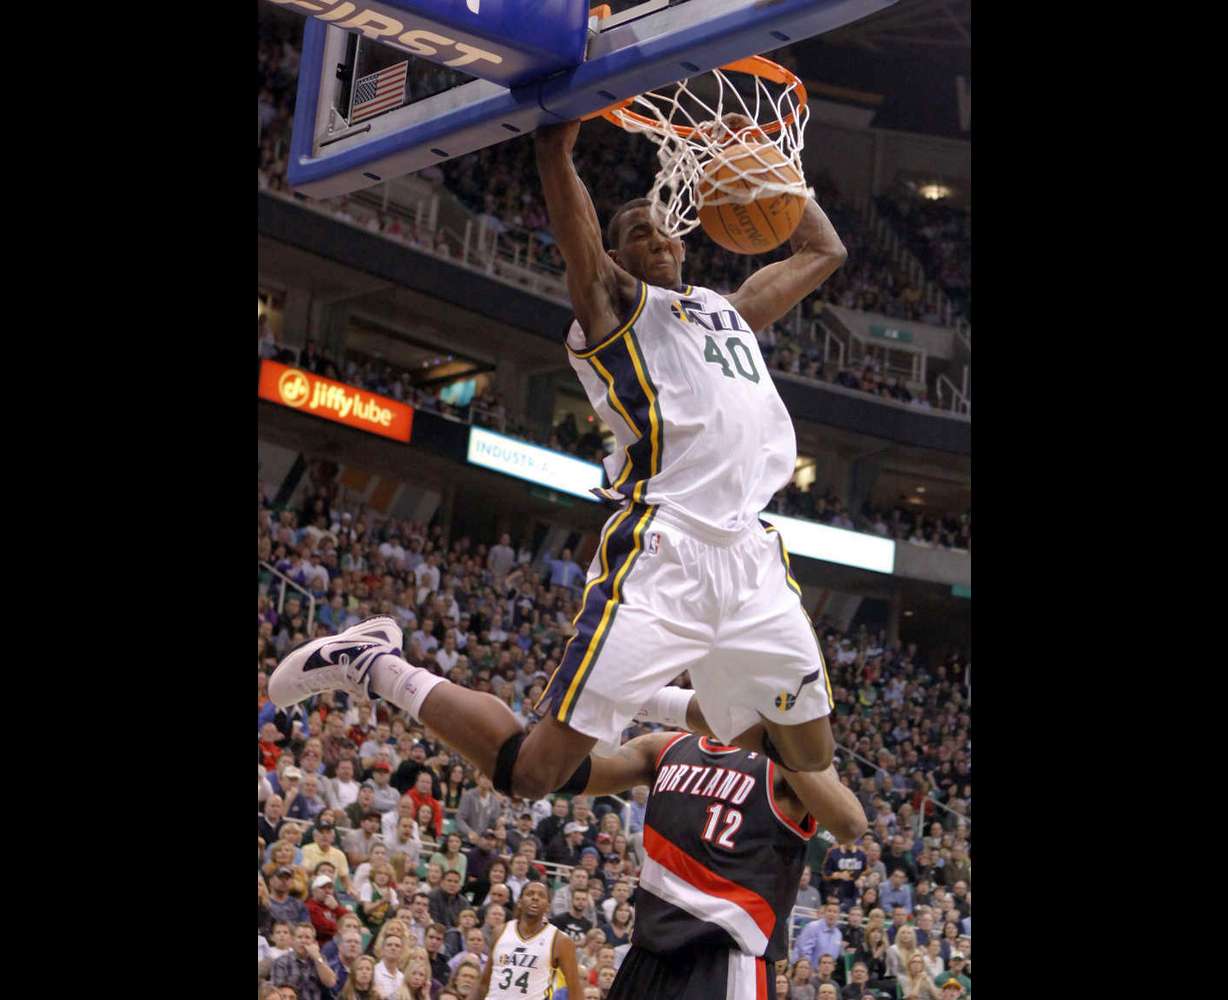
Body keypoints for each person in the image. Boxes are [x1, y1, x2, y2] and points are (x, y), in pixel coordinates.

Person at [270, 109, 849, 804]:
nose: (654, 236)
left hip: (752, 555)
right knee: (533, 775)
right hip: (665, 549)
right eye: (634, 233)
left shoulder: (730, 310)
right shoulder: (614, 309)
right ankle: (376, 665)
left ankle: (656, 693)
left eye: (660, 225)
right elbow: (568, 199)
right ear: (614, 257)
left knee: (806, 755)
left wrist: (772, 170)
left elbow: (825, 253)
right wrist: (557, 139)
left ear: (685, 243)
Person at [558, 726, 864, 1000]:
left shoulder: (785, 763)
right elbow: (565, 771)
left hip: (727, 962)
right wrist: (581, 710)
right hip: (647, 956)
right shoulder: (665, 747)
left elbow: (850, 824)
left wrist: (771, 736)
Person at [474, 881, 582, 1000]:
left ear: (548, 906)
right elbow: (484, 983)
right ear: (519, 902)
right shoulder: (500, 932)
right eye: (530, 894)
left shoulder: (560, 940)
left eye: (541, 895)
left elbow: (575, 989)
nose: (535, 898)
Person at [271, 922, 338, 1000]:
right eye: (299, 937)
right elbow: (277, 992)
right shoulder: (281, 962)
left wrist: (317, 958)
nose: (303, 941)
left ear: (313, 942)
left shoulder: (320, 960)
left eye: (307, 937)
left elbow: (330, 983)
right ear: (293, 941)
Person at [792, 902, 842, 969]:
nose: (832, 914)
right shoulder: (812, 927)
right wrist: (810, 970)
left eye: (835, 912)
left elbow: (835, 957)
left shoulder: (838, 934)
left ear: (838, 915)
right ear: (824, 913)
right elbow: (804, 951)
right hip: (808, 970)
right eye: (829, 911)